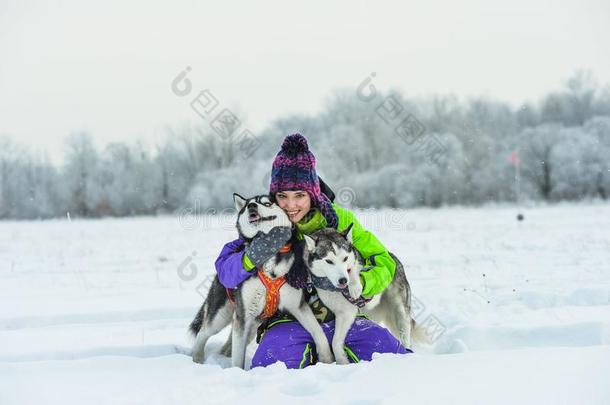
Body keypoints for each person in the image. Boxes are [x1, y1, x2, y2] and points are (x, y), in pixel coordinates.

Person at [215, 133, 412, 368]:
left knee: (395, 358)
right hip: (289, 322)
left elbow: (384, 261)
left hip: (345, 320)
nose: (290, 205)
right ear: (273, 197)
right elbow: (225, 271)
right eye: (282, 196)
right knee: (269, 365)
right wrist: (250, 257)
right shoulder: (264, 225)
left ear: (312, 193)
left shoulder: (339, 220)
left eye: (299, 195)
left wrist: (360, 284)